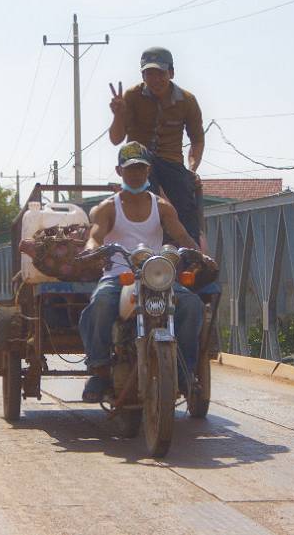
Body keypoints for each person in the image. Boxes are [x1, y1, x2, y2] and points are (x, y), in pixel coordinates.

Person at [78, 142, 204, 403]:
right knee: (101, 302)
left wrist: (198, 255)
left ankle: (185, 372)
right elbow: (96, 235)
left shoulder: (162, 207)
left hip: (155, 276)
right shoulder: (108, 207)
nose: (135, 174)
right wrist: (92, 249)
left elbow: (181, 235)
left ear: (148, 171)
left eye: (141, 168)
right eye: (130, 169)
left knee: (192, 305)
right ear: (119, 171)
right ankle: (99, 369)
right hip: (119, 277)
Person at [108, 46, 205, 246]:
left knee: (186, 200)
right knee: (146, 194)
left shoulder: (187, 101)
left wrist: (192, 169)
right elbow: (116, 139)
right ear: (142, 75)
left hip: (171, 162)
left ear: (171, 73)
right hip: (138, 161)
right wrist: (118, 114)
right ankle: (143, 247)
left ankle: (192, 257)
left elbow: (197, 140)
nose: (155, 79)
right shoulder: (132, 96)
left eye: (160, 73)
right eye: (149, 74)